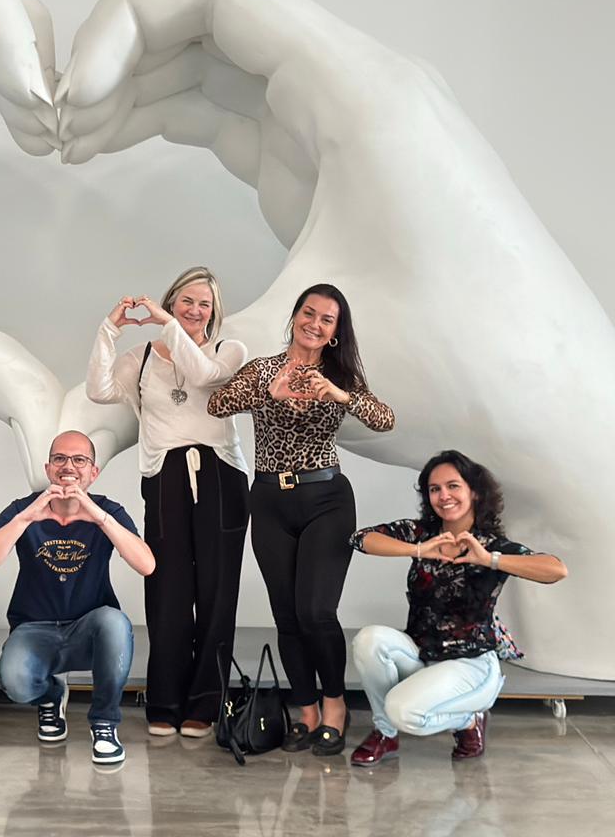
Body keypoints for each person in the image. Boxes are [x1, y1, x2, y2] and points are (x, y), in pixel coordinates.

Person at [207, 283, 394, 756]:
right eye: (309, 313)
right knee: (287, 614)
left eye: (327, 319)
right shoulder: (263, 369)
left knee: (316, 611)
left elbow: (385, 419)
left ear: (335, 332)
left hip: (326, 499)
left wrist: (340, 395)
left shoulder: (340, 375)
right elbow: (217, 405)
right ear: (295, 317)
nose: (315, 323)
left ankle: (335, 704)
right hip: (269, 499)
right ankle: (306, 709)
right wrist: (266, 393)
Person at [86, 266, 249, 738]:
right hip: (164, 476)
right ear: (171, 301)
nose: (195, 310)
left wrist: (167, 325)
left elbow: (202, 375)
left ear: (214, 311)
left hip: (220, 475)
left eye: (204, 304)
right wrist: (110, 328)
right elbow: (99, 389)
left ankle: (205, 702)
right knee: (167, 589)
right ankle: (165, 699)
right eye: (186, 301)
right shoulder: (140, 359)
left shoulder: (228, 351)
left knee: (217, 591)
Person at [348, 451, 567, 765]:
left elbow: (556, 569)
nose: (444, 496)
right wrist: (418, 549)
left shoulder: (491, 545)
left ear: (474, 492)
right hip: (421, 653)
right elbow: (360, 538)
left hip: (471, 663)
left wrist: (489, 559)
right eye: (434, 489)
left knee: (402, 710)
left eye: (453, 486)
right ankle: (385, 734)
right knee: (369, 640)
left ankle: (468, 720)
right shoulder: (422, 534)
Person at [0, 431, 155, 764]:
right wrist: (26, 517)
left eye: (79, 460)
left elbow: (146, 565)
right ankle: (51, 695)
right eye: (59, 459)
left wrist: (98, 517)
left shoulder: (107, 510)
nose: (68, 466)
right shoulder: (22, 509)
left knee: (115, 623)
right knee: (16, 683)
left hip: (88, 628)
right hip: (34, 628)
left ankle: (104, 724)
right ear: (48, 468)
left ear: (93, 472)